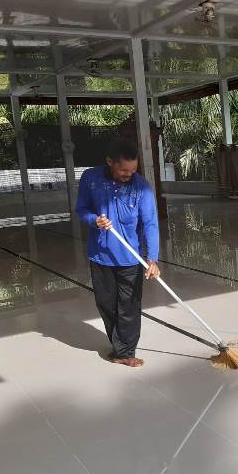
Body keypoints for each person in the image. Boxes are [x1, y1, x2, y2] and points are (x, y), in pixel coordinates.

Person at [76, 138, 161, 367]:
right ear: (110, 162)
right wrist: (94, 220)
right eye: (124, 170)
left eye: (133, 170)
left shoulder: (141, 187)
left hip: (130, 258)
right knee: (106, 303)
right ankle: (119, 346)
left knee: (129, 306)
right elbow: (81, 209)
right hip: (100, 255)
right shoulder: (90, 179)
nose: (129, 174)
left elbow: (150, 223)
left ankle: (125, 352)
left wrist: (152, 258)